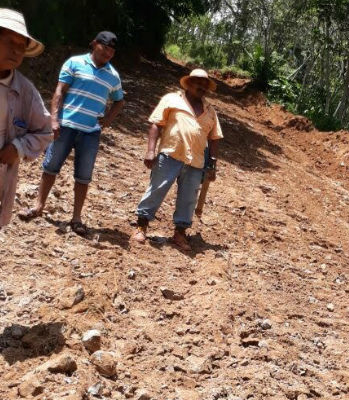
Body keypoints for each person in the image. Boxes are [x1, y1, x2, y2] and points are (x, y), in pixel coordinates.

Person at [19, 31, 125, 234]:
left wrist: (108, 119)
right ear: (94, 44)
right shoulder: (74, 63)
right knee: (50, 167)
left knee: (83, 176)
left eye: (112, 51)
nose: (108, 54)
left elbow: (120, 100)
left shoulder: (113, 76)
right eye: (105, 49)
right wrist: (54, 120)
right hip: (66, 125)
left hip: (91, 132)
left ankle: (76, 218)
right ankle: (38, 206)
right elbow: (59, 92)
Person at [132, 69, 222, 251]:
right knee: (156, 189)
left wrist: (212, 164)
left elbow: (214, 138)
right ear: (189, 83)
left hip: (196, 161)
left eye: (205, 85)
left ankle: (180, 233)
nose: (202, 87)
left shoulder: (210, 111)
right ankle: (141, 226)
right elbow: (156, 124)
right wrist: (150, 151)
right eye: (198, 83)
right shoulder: (172, 99)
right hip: (170, 154)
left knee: (188, 199)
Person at [0, 8, 51, 230]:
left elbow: (45, 131)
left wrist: (18, 147)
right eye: (10, 42)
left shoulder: (24, 92)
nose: (16, 51)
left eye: (21, 46)